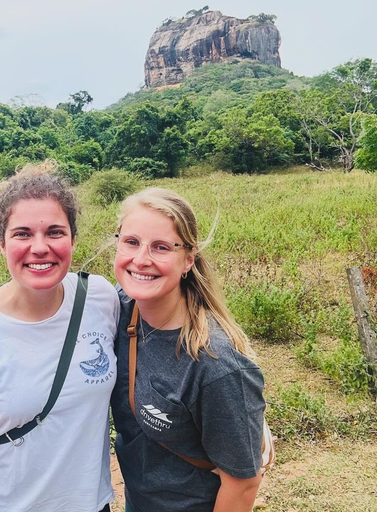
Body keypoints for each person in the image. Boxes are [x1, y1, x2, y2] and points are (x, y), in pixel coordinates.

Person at [0, 164, 119, 512]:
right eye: (22, 234)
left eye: (54, 232)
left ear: (72, 240)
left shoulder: (99, 298)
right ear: (1, 244)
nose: (40, 247)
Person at [110, 188, 265, 512]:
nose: (141, 259)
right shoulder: (117, 308)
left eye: (161, 247)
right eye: (131, 242)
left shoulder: (215, 365)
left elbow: (243, 484)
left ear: (188, 259)